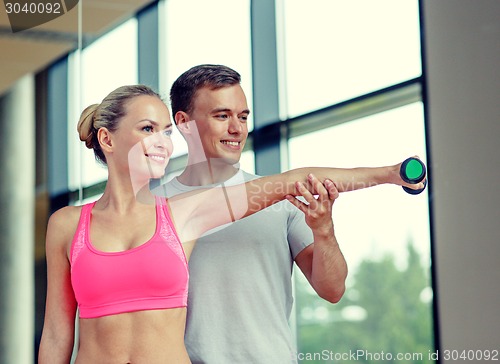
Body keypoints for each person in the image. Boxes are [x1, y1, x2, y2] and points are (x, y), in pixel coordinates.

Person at [38, 84, 425, 364]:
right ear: (107, 138)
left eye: (166, 132)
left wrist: (390, 174)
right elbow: (57, 332)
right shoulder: (68, 225)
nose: (162, 142)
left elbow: (294, 179)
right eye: (147, 129)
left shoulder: (182, 213)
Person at [152, 65, 424, 363]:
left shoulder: (282, 202)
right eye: (222, 115)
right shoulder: (154, 209)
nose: (237, 128)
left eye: (243, 117)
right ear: (184, 122)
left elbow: (332, 290)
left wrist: (324, 230)